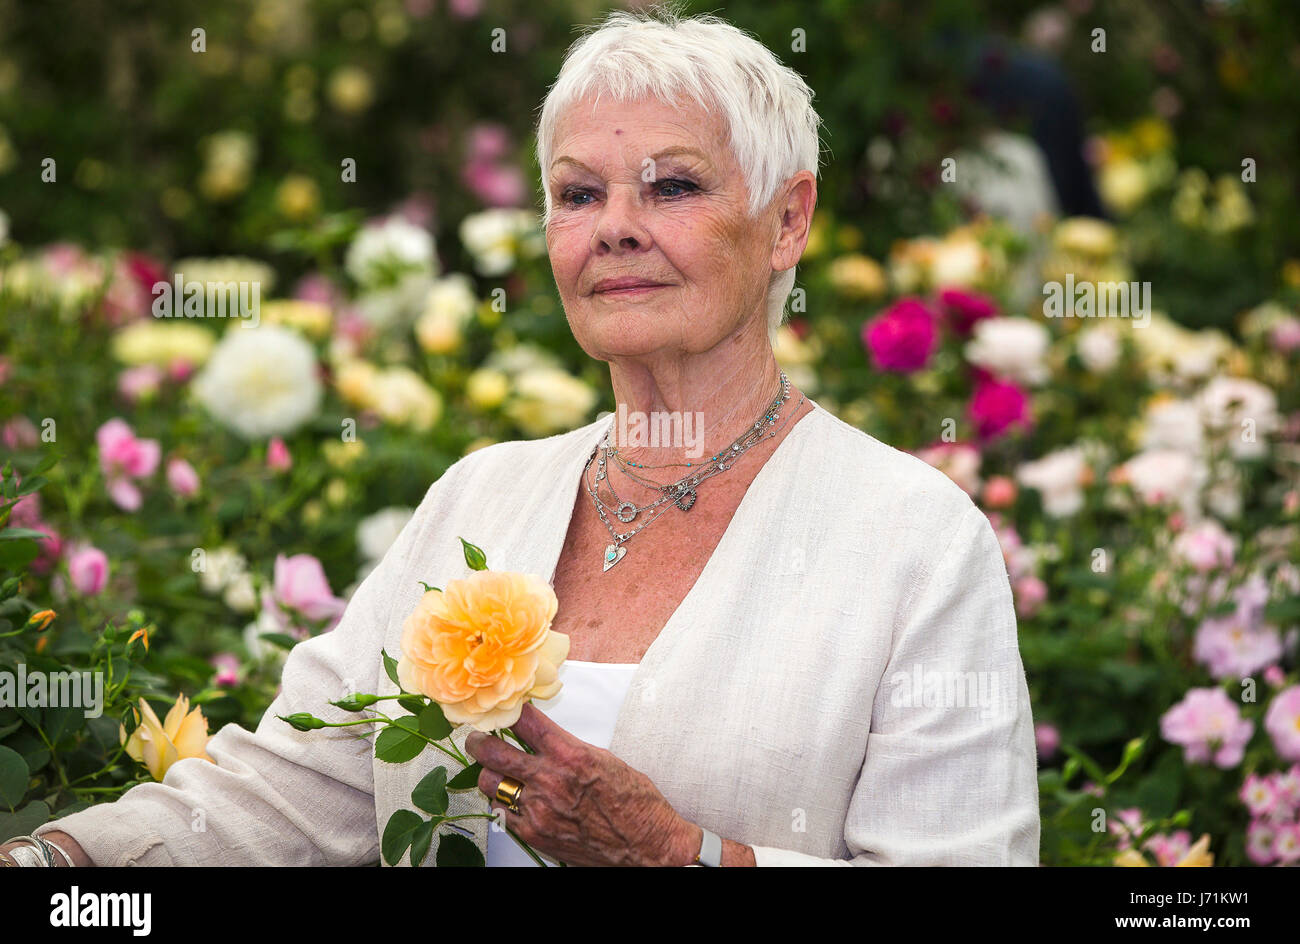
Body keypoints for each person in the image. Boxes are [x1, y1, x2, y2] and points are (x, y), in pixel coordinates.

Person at [2, 5, 1038, 868]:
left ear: (786, 221)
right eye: (578, 194)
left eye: (672, 186)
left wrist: (681, 856)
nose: (615, 226)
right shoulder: (483, 495)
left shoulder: (912, 537)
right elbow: (295, 789)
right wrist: (56, 865)